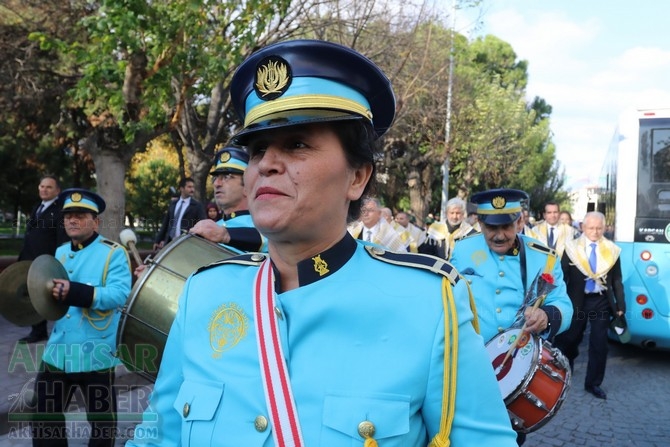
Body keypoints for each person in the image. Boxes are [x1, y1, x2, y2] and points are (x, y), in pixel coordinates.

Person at [128, 39, 517, 446]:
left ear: (357, 177)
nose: (266, 164)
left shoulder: (427, 302)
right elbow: (158, 436)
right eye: (258, 149)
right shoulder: (204, 292)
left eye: (296, 144)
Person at [450, 189, 573, 445]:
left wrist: (546, 316)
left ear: (519, 221)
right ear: (479, 222)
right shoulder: (462, 251)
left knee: (508, 438)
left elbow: (563, 304)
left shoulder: (544, 257)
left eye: (507, 226)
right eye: (491, 227)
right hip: (470, 364)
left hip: (515, 370)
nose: (499, 235)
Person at [31, 188, 132, 446]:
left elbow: (120, 294)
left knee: (101, 421)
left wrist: (75, 292)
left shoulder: (113, 253)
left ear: (95, 221)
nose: (72, 221)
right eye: (68, 216)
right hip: (58, 351)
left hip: (95, 350)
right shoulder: (61, 252)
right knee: (44, 414)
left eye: (80, 215)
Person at [553, 211, 625, 400]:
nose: (595, 231)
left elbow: (617, 279)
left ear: (604, 228)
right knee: (569, 340)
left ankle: (593, 383)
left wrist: (620, 305)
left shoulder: (612, 250)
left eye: (599, 228)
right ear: (583, 227)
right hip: (577, 300)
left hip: (600, 301)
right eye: (591, 228)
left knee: (599, 345)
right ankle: (564, 376)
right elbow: (563, 277)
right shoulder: (571, 248)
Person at [17, 175, 68, 343]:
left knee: (47, 297)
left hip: (46, 261)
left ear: (57, 191)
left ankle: (61, 331)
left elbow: (61, 239)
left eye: (49, 187)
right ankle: (38, 331)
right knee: (33, 297)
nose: (44, 190)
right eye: (42, 186)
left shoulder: (60, 211)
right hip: (30, 259)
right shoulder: (37, 207)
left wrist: (58, 261)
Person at [189, 146, 266, 253]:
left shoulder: (265, 226)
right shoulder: (214, 227)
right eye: (215, 178)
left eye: (227, 177)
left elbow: (272, 242)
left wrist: (225, 235)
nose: (216, 184)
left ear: (247, 186)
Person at [154, 177, 206, 250]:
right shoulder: (173, 204)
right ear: (182, 188)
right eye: (189, 187)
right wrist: (158, 240)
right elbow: (165, 223)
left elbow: (202, 225)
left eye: (193, 187)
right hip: (170, 242)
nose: (192, 190)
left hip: (187, 244)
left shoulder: (197, 206)